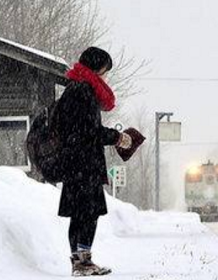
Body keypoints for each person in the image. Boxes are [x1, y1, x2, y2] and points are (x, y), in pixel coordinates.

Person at [55, 47, 132, 276]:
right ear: (96, 68)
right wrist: (118, 137)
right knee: (88, 213)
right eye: (104, 71)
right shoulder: (84, 91)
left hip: (74, 163)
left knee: (80, 213)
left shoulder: (73, 88)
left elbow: (78, 129)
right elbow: (90, 131)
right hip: (84, 164)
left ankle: (79, 262)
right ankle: (83, 262)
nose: (105, 77)